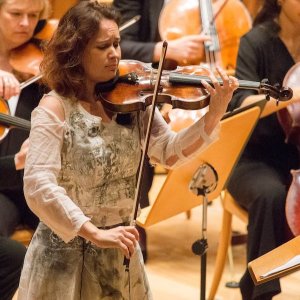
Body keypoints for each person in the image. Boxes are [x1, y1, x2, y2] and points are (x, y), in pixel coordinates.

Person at [17, 1, 238, 299]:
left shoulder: (133, 101)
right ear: (76, 52)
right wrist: (93, 232)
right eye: (102, 46)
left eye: (117, 44)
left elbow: (169, 152)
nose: (115, 54)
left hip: (120, 249)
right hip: (64, 259)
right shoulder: (54, 108)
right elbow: (38, 183)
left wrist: (213, 114)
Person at [113, 0, 209, 262]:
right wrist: (162, 49)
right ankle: (135, 219)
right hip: (146, 83)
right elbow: (117, 43)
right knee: (137, 128)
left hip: (193, 83)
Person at [227, 0, 300, 299]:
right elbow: (242, 104)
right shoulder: (255, 42)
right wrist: (290, 97)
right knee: (270, 195)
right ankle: (259, 292)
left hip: (295, 156)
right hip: (255, 158)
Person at [0, 0, 50, 299]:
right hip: (4, 185)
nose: (26, 24)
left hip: (40, 179)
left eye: (33, 15)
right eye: (16, 14)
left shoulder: (44, 57)